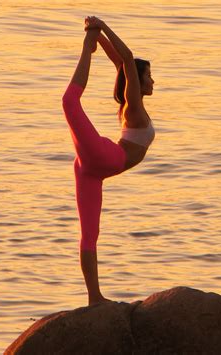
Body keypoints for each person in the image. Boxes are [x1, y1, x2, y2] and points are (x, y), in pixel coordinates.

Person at [61, 16, 155, 306]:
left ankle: (94, 298)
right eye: (149, 75)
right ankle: (84, 46)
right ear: (138, 82)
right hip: (104, 158)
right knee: (69, 101)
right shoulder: (134, 105)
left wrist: (98, 36)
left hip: (92, 170)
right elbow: (126, 59)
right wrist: (99, 29)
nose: (154, 80)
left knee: (90, 234)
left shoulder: (132, 100)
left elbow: (120, 64)